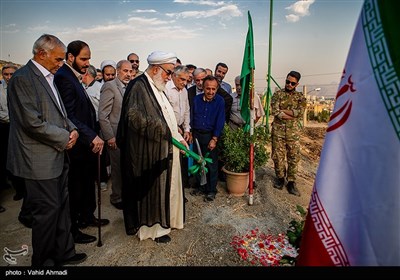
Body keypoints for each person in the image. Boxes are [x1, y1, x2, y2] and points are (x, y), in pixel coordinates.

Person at [6, 34, 86, 266]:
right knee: (47, 214)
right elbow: (32, 123)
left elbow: (60, 112)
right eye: (59, 59)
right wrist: (65, 137)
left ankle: (64, 253)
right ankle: (44, 263)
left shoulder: (50, 76)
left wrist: (73, 130)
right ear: (42, 54)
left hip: (57, 155)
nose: (61, 63)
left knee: (61, 207)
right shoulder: (22, 79)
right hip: (38, 160)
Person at [117, 51, 188, 243]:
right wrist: (162, 129)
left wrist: (178, 137)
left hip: (164, 147)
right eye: (168, 72)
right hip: (147, 152)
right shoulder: (139, 86)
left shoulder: (158, 86)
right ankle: (153, 229)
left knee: (166, 186)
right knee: (153, 190)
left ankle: (167, 221)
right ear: (156, 69)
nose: (169, 77)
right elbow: (133, 118)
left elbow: (166, 115)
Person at [55, 40, 109, 244]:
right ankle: (74, 228)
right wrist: (90, 135)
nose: (87, 63)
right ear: (70, 57)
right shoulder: (64, 77)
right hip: (77, 143)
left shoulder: (74, 76)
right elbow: (68, 115)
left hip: (86, 143)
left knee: (87, 183)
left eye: (89, 59)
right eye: (83, 58)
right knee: (76, 187)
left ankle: (87, 216)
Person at [99, 60, 132, 210]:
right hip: (115, 136)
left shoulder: (129, 86)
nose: (128, 74)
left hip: (127, 136)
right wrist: (109, 137)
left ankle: (125, 194)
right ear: (118, 71)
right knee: (117, 168)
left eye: (130, 71)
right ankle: (116, 197)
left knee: (126, 167)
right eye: (125, 71)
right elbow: (102, 115)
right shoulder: (109, 86)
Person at [270, 70, 306, 196]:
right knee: (278, 157)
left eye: (292, 83)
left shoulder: (301, 97)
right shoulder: (277, 95)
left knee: (293, 158)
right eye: (287, 82)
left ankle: (291, 182)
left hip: (293, 134)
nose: (289, 85)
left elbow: (299, 113)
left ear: (297, 84)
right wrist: (291, 114)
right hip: (278, 132)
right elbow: (275, 111)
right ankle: (280, 178)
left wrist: (284, 111)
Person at [190, 75, 225, 202]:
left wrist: (214, 139)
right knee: (198, 162)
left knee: (211, 164)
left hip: (210, 136)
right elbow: (192, 117)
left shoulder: (220, 101)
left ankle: (211, 190)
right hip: (197, 135)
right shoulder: (196, 100)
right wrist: (191, 134)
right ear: (203, 88)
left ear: (216, 89)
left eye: (213, 89)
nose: (210, 92)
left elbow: (220, 121)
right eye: (208, 89)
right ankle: (201, 187)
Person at [164, 65, 191, 195]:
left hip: (180, 130)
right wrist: (175, 129)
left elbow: (186, 110)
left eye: (186, 80)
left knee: (181, 164)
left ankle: (179, 193)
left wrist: (186, 128)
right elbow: (165, 113)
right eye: (182, 80)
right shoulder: (166, 89)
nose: (184, 83)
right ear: (174, 76)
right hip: (170, 131)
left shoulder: (184, 91)